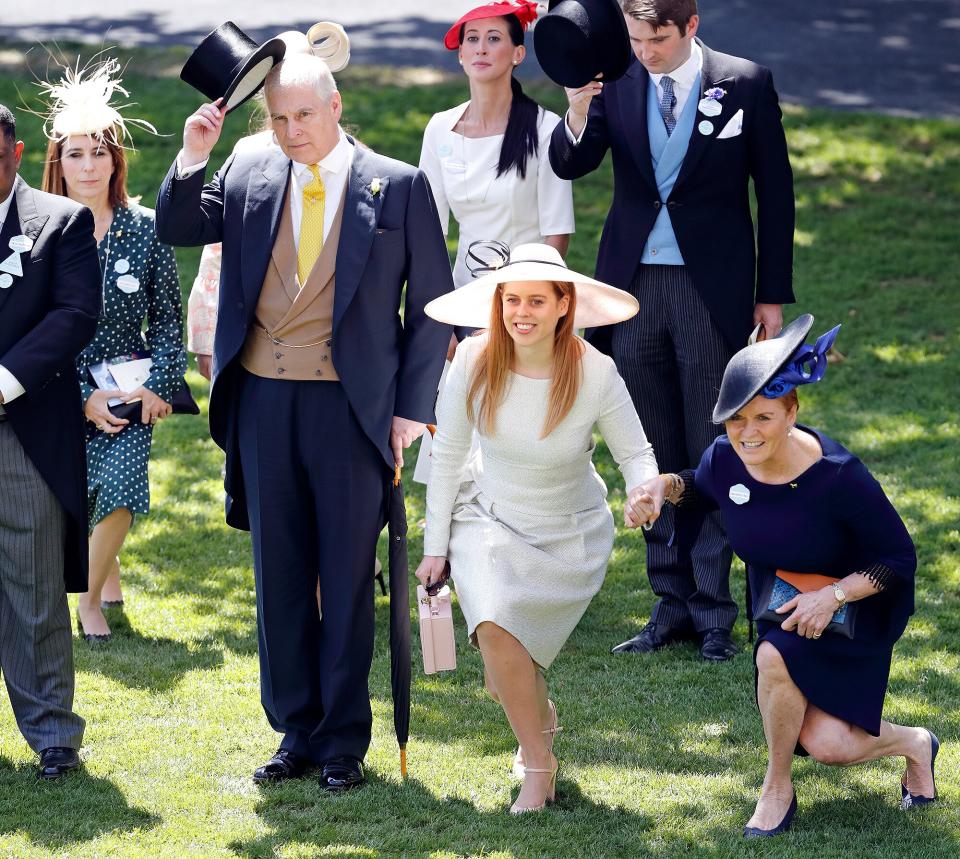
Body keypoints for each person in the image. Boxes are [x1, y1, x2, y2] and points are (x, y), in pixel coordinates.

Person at [156, 52, 453, 791]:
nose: (291, 131)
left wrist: (413, 408)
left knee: (347, 574)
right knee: (279, 572)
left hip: (351, 408)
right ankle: (297, 729)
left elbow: (431, 312)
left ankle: (345, 740)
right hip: (262, 401)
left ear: (336, 103)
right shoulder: (249, 173)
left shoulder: (400, 185)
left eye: (304, 115)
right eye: (279, 118)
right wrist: (194, 155)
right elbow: (177, 224)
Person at [548, 0, 796, 661]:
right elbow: (571, 164)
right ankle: (670, 603)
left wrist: (771, 294)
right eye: (635, 37)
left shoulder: (746, 83)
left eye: (656, 38)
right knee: (649, 448)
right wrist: (578, 105)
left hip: (709, 290)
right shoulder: (616, 78)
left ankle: (715, 611)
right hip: (630, 289)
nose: (645, 50)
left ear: (689, 27)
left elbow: (774, 193)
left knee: (710, 446)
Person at [637, 315, 935, 837]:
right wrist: (664, 487)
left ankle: (914, 742)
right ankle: (778, 785)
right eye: (736, 421)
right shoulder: (727, 458)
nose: (748, 434)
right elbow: (699, 487)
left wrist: (833, 596)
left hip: (851, 612)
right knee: (783, 667)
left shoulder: (839, 476)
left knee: (834, 748)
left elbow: (897, 559)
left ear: (791, 411)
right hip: (782, 606)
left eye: (764, 418)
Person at [416, 242, 659, 813]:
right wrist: (434, 547)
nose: (521, 312)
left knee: (507, 675)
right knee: (497, 627)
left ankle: (536, 721)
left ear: (562, 306)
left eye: (535, 301)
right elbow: (448, 455)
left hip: (567, 530)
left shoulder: (596, 371)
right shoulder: (473, 360)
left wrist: (646, 490)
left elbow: (636, 454)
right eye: (511, 301)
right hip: (487, 518)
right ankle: (539, 762)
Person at [39, 60, 188, 641]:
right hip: (57, 387)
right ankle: (108, 571)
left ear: (116, 161)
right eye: (75, 154)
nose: (88, 164)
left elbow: (170, 319)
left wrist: (160, 384)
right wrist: (81, 397)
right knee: (74, 493)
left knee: (121, 484)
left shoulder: (146, 229)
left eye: (99, 152)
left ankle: (87, 602)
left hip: (129, 386)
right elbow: (29, 333)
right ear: (58, 163)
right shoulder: (40, 234)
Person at [0, 103, 101, 778]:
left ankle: (53, 732)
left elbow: (75, 314)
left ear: (11, 152)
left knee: (31, 579)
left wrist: (4, 381)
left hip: (24, 426)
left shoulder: (60, 222)